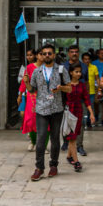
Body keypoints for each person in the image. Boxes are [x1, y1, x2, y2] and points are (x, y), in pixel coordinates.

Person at [27, 43, 69, 180]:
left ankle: (54, 165)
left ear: (54, 55)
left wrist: (60, 88)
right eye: (44, 53)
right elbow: (32, 90)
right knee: (41, 139)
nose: (47, 56)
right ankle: (39, 168)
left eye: (49, 53)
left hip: (57, 108)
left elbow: (70, 88)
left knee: (55, 139)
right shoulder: (37, 71)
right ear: (41, 56)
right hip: (41, 109)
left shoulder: (61, 70)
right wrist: (26, 82)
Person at [58, 63, 95, 171]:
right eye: (76, 71)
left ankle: (69, 156)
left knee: (73, 137)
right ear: (71, 72)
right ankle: (76, 162)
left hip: (79, 112)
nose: (79, 74)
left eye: (80, 72)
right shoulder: (66, 84)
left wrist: (91, 113)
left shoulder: (82, 85)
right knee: (72, 138)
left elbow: (87, 100)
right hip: (68, 112)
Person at [82, 52, 99, 131]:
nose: (87, 61)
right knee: (82, 108)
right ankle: (82, 123)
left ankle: (89, 123)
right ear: (82, 60)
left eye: (88, 59)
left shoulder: (94, 67)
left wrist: (99, 89)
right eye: (85, 59)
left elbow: (97, 79)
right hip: (81, 92)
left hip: (91, 91)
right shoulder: (80, 67)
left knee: (90, 108)